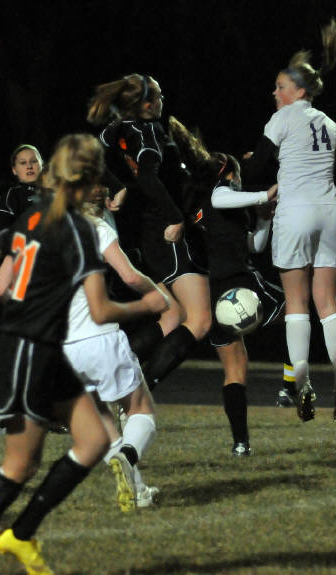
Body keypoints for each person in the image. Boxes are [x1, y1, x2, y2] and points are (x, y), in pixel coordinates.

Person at [0, 134, 168, 575]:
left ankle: (19, 536)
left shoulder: (35, 216)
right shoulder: (80, 231)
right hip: (28, 352)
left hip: (48, 349)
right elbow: (101, 309)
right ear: (89, 181)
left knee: (95, 441)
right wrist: (149, 304)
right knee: (20, 465)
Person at [242, 19, 336, 422]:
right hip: (330, 211)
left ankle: (303, 384)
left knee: (297, 302)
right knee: (329, 303)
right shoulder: (329, 122)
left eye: (281, 87)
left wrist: (251, 163)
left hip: (294, 211)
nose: (275, 93)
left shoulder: (283, 119)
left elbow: (256, 168)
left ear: (299, 92)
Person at [87, 74, 212, 391]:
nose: (161, 100)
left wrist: (117, 186)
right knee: (199, 321)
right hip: (167, 231)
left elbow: (91, 155)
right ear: (144, 103)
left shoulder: (118, 128)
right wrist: (175, 218)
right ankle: (131, 396)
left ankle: (106, 382)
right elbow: (147, 176)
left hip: (147, 232)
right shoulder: (149, 130)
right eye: (156, 95)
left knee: (171, 316)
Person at [168, 116, 281, 456]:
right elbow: (221, 197)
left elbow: (254, 245)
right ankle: (293, 382)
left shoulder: (220, 209)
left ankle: (241, 443)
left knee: (236, 368)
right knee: (297, 308)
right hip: (236, 283)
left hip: (218, 291)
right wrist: (264, 194)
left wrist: (264, 219)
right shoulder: (217, 197)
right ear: (230, 174)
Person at [63, 188, 161, 511]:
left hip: (63, 347)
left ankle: (138, 491)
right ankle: (128, 456)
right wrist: (158, 295)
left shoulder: (46, 231)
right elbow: (130, 277)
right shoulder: (97, 227)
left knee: (101, 417)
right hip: (99, 336)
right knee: (141, 410)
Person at [0, 144, 44, 299]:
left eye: (34, 161)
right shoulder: (12, 195)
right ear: (14, 170)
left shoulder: (57, 193)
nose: (29, 166)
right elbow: (2, 232)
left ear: (42, 165)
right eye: (23, 163)